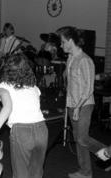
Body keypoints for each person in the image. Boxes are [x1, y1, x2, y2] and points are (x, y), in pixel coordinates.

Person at [56, 26, 107, 178]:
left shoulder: (85, 60)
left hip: (84, 105)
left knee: (82, 138)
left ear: (71, 41)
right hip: (72, 104)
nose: (61, 45)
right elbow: (69, 79)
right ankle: (86, 172)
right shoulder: (70, 58)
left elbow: (88, 89)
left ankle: (107, 152)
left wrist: (77, 107)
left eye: (63, 42)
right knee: (79, 141)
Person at [0, 54, 48, 178]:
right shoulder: (34, 86)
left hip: (22, 131)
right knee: (36, 172)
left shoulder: (4, 85)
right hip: (42, 129)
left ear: (7, 69)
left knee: (21, 173)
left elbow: (7, 107)